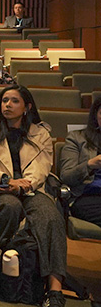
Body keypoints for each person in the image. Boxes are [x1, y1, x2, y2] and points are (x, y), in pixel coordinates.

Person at [0, 85, 69, 307]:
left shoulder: (40, 134)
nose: (7, 105)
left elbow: (42, 168)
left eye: (14, 101)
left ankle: (55, 293)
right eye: (4, 100)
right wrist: (5, 180)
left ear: (27, 107)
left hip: (31, 189)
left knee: (51, 216)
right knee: (10, 207)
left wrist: (24, 185)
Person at [59, 96, 101, 227]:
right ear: (96, 115)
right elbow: (66, 176)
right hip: (87, 196)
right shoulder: (77, 138)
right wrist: (90, 165)